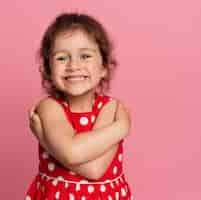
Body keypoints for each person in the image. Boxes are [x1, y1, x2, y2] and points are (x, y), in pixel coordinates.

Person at [25, 12, 135, 200]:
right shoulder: (49, 108)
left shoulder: (111, 107)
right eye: (61, 58)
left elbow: (96, 170)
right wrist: (121, 127)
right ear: (49, 70)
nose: (74, 65)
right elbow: (74, 155)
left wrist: (47, 141)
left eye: (85, 56)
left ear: (103, 68)